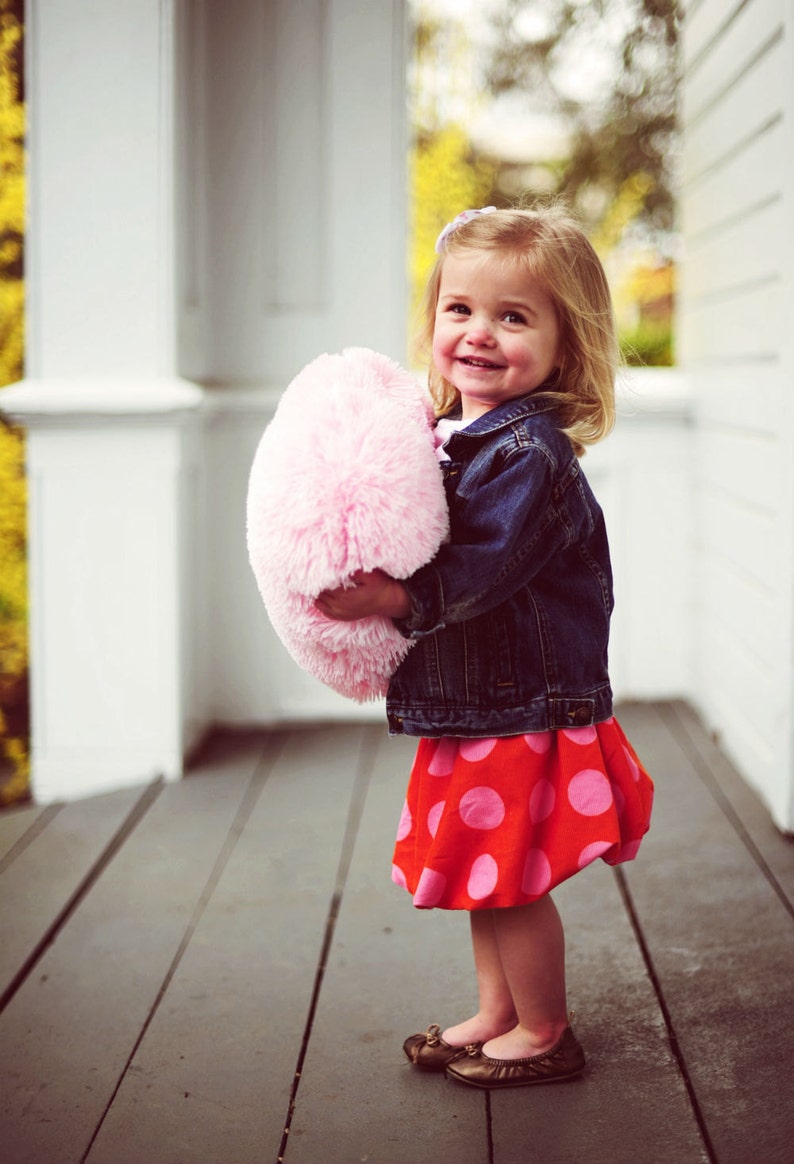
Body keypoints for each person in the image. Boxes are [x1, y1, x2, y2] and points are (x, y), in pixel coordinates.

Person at [315, 203, 654, 1089]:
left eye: (514, 317)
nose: (478, 334)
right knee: (486, 876)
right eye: (459, 309)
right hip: (480, 705)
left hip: (523, 706)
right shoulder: (453, 436)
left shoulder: (529, 453)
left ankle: (544, 1031)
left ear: (564, 344)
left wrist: (393, 595)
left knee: (514, 881)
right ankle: (498, 1011)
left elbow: (484, 567)